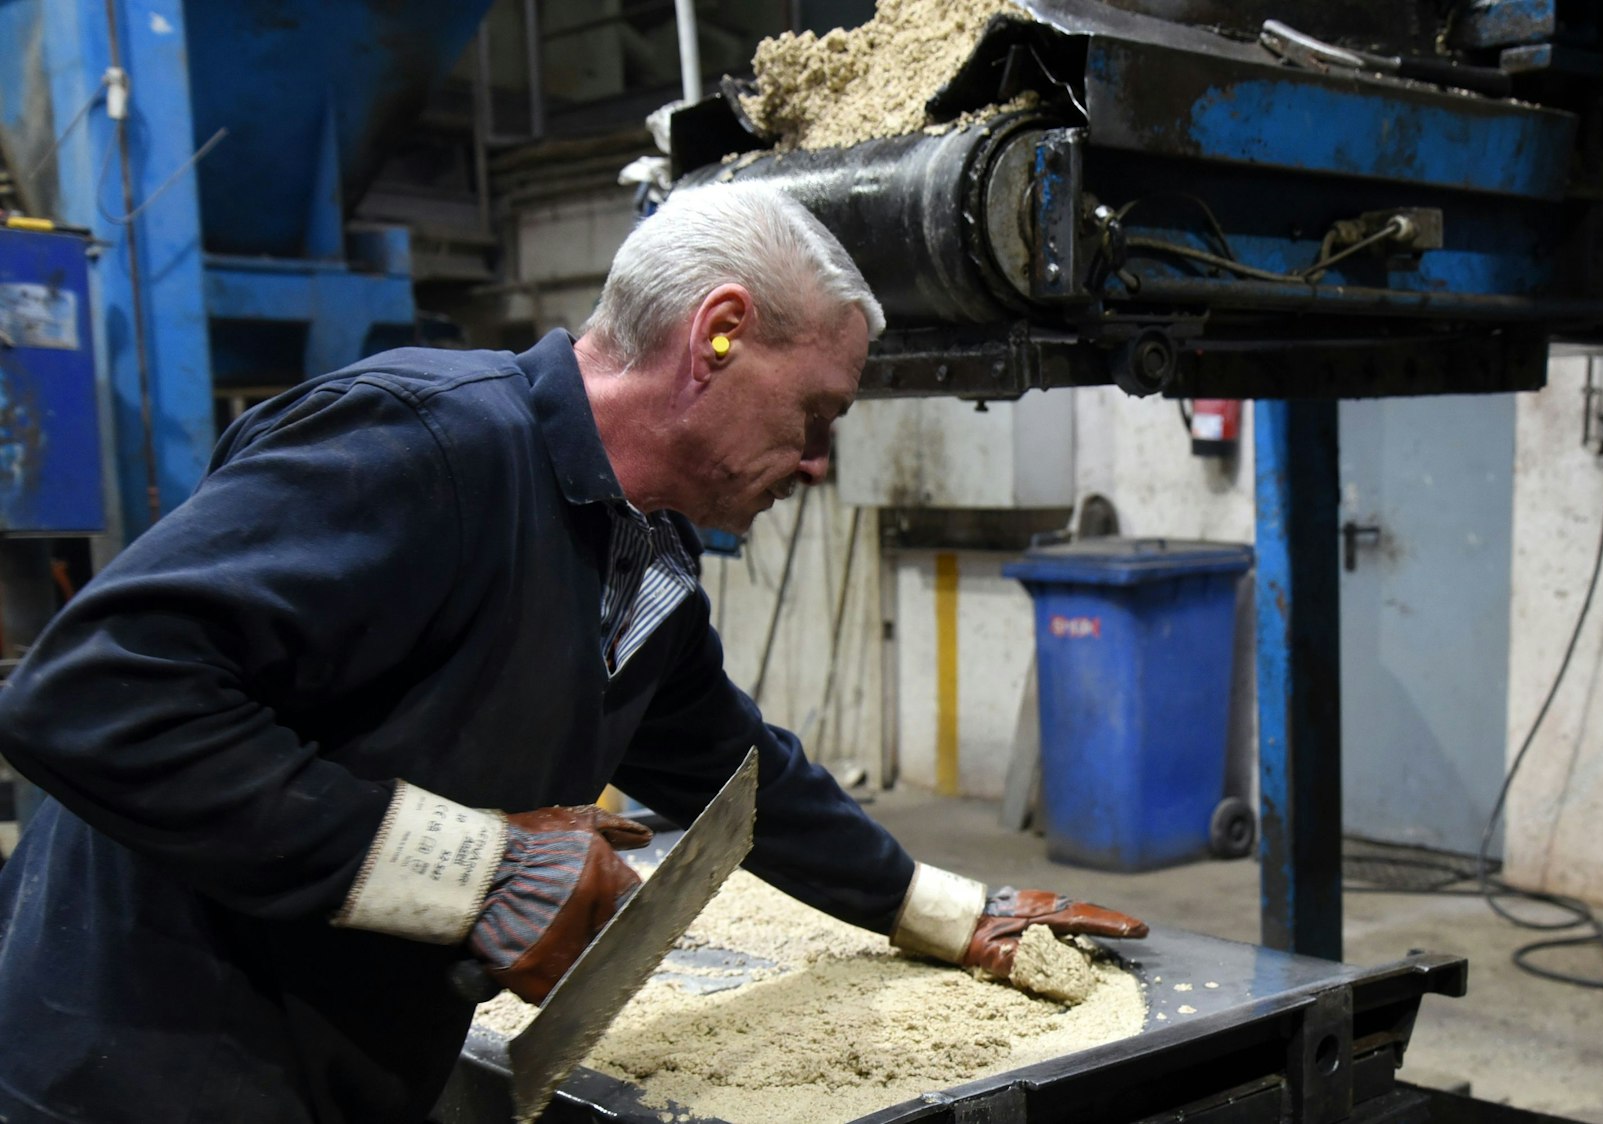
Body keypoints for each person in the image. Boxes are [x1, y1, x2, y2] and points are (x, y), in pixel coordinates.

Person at [0, 184, 1145, 1123]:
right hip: (137, 1064)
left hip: (329, 1063)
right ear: (720, 333)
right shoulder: (432, 445)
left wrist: (947, 908)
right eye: (818, 415)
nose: (816, 465)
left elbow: (741, 774)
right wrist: (472, 867)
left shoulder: (636, 554)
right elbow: (93, 690)